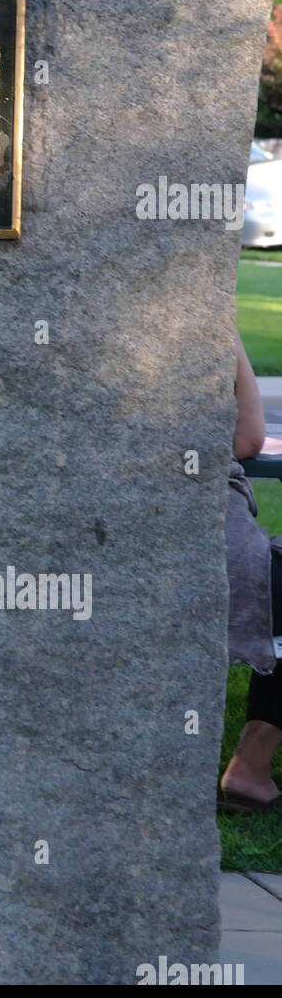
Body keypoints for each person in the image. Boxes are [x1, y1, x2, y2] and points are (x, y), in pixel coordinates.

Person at [219, 329, 282, 814]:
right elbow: (247, 438)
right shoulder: (197, 318)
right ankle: (252, 763)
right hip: (217, 569)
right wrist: (228, 322)